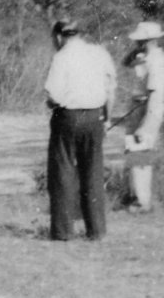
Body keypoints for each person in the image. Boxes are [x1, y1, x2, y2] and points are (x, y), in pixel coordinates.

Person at [43, 19, 117, 241]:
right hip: (94, 116)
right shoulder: (99, 53)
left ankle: (63, 232)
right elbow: (110, 89)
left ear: (58, 36)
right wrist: (107, 118)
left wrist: (52, 104)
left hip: (68, 116)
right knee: (93, 172)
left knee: (62, 171)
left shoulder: (61, 57)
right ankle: (97, 231)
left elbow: (53, 95)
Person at [121, 21, 164, 213]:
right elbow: (126, 63)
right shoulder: (144, 57)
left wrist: (146, 123)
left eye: (140, 41)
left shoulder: (156, 61)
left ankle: (142, 202)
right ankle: (135, 197)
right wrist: (136, 53)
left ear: (150, 40)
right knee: (134, 152)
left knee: (141, 152)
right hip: (138, 106)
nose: (137, 44)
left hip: (148, 108)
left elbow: (155, 95)